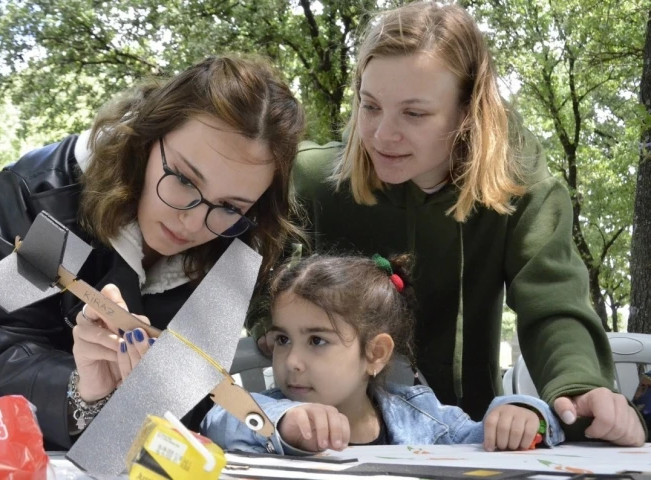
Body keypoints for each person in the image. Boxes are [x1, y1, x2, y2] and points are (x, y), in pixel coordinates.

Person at [248, 1, 647, 445]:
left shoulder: (521, 192)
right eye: (370, 105)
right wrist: (270, 325)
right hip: (326, 441)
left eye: (414, 113)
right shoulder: (309, 180)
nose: (382, 134)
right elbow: (245, 276)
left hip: (468, 437)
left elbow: (552, 300)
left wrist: (580, 386)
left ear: (466, 113)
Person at [0, 55, 306, 450]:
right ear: (147, 137)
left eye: (229, 207)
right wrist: (79, 392)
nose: (190, 222)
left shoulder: (239, 248)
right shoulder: (49, 212)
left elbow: (194, 400)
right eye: (185, 179)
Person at [203, 254, 565, 453]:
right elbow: (219, 420)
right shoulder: (265, 407)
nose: (292, 361)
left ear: (375, 353)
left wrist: (522, 412)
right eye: (283, 340)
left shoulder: (422, 417)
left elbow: (478, 437)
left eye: (316, 340)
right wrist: (283, 423)